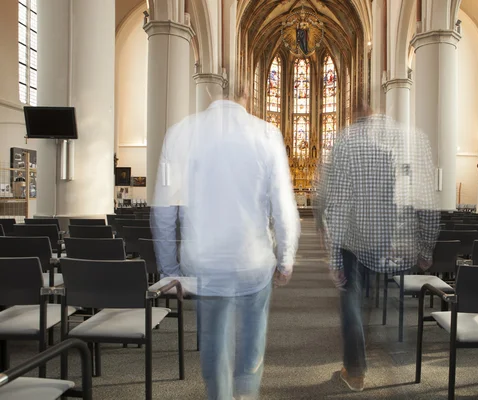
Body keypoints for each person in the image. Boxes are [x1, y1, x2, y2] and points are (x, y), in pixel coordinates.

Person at [151, 88, 300, 400]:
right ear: (247, 94)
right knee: (252, 341)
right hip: (253, 262)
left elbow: (164, 210)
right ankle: (246, 392)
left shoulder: (180, 133)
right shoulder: (267, 134)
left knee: (214, 344)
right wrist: (285, 258)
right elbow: (284, 207)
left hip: (204, 263)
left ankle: (219, 394)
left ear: (210, 90)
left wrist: (169, 271)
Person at [317, 104, 440, 392]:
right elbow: (427, 204)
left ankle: (357, 370)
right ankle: (400, 367)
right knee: (390, 300)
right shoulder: (414, 139)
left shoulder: (346, 141)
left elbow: (338, 204)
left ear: (354, 112)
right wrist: (426, 249)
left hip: (354, 241)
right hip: (395, 243)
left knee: (352, 301)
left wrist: (334, 256)